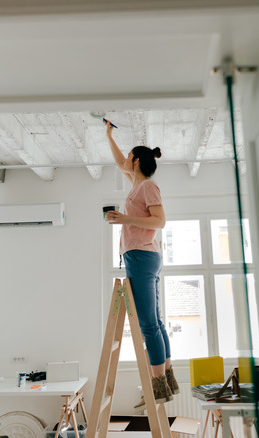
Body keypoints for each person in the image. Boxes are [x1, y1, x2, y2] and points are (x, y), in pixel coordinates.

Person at [104, 119, 179, 407]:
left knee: (149, 324)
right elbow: (119, 160)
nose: (125, 162)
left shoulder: (147, 187)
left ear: (136, 161)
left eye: (129, 159)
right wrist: (108, 135)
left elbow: (160, 221)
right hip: (142, 255)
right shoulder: (136, 185)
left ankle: (158, 386)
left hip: (141, 255)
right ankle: (166, 380)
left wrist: (124, 219)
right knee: (155, 322)